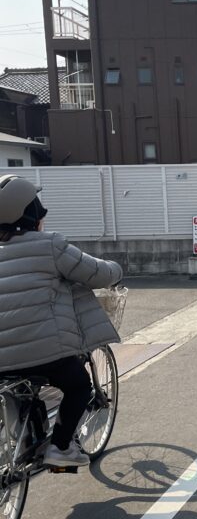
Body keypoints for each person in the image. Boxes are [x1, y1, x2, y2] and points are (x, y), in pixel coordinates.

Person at [0, 175, 122, 467]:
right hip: (45, 353)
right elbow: (98, 273)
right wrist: (116, 269)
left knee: (16, 387)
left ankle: (25, 441)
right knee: (79, 386)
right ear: (30, 216)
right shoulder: (50, 246)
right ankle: (60, 448)